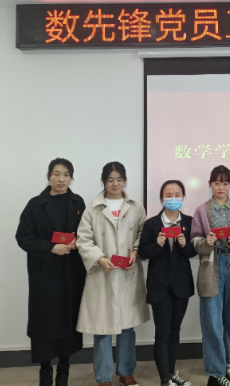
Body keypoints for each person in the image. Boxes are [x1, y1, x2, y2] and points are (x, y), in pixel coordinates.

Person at [76, 162, 150, 386]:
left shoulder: (135, 206)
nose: (115, 184)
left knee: (127, 327)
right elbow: (83, 239)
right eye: (110, 180)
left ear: (125, 181)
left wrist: (136, 250)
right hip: (103, 274)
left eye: (119, 179)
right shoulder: (93, 208)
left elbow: (143, 233)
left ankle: (126, 372)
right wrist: (99, 258)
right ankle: (104, 377)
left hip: (127, 274)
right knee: (102, 328)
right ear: (103, 181)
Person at [16, 158, 86, 386]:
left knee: (68, 323)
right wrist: (50, 248)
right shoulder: (35, 205)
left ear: (71, 178)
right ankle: (45, 372)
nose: (61, 179)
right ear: (49, 176)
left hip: (71, 274)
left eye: (66, 174)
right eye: (56, 174)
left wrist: (78, 242)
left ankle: (63, 371)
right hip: (45, 274)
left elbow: (87, 232)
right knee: (44, 325)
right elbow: (23, 237)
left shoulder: (78, 202)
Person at [190, 165, 230, 386]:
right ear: (210, 184)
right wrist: (206, 242)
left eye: (225, 183)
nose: (221, 187)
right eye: (216, 183)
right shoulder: (202, 210)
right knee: (212, 321)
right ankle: (215, 372)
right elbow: (195, 240)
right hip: (211, 266)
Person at [139, 180, 197, 386]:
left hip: (181, 285)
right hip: (160, 286)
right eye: (168, 195)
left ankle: (171, 374)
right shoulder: (151, 224)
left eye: (177, 194)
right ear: (162, 198)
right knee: (162, 333)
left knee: (174, 332)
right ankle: (165, 380)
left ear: (183, 197)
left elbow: (193, 251)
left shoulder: (189, 222)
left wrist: (184, 245)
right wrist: (157, 244)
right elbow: (143, 252)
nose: (173, 198)